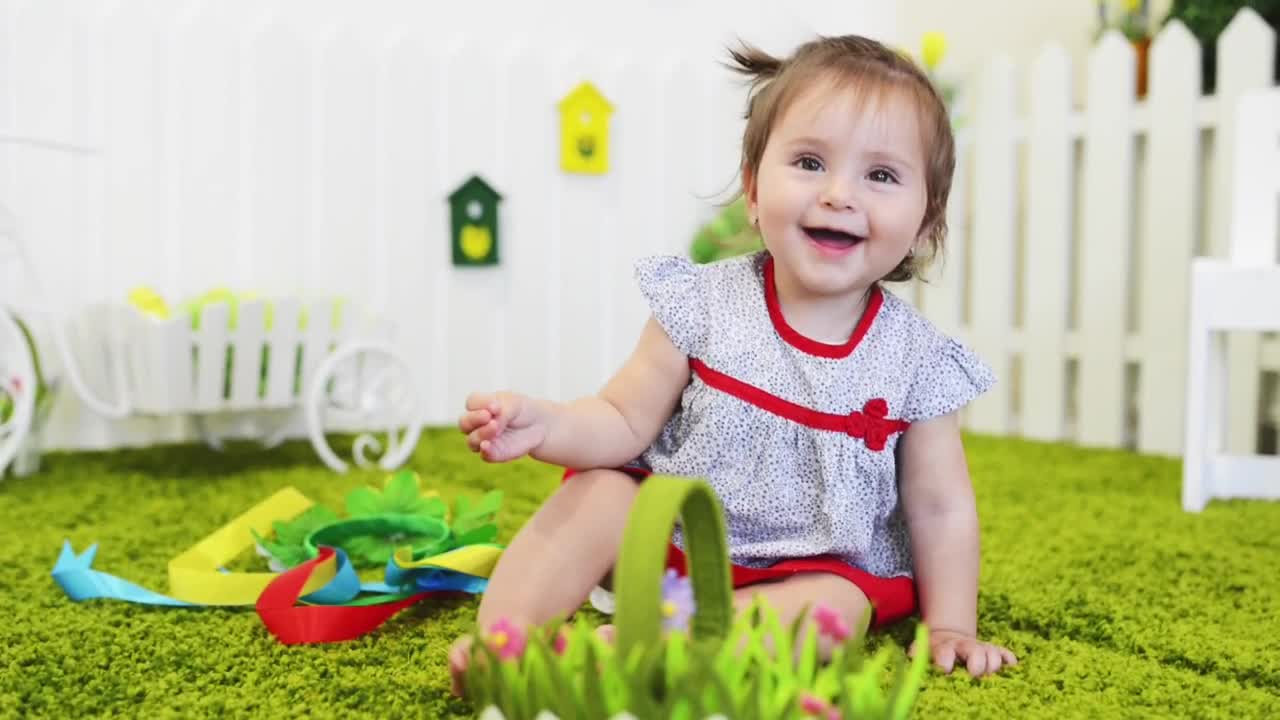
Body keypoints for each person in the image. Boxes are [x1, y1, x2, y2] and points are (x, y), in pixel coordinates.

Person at [450, 33, 1017, 694]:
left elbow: (941, 508)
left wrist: (951, 624)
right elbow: (621, 419)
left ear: (925, 222)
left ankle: (643, 650)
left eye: (881, 176)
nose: (839, 194)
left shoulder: (917, 361)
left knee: (837, 610)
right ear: (752, 188)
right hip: (671, 545)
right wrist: (545, 425)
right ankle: (504, 643)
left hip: (809, 571)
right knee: (600, 492)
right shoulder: (703, 304)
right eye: (809, 162)